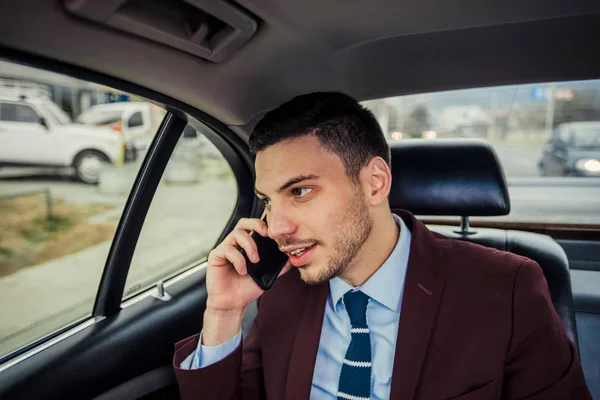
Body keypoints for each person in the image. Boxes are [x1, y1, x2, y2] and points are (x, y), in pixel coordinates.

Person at [173, 92, 590, 399]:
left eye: (300, 191)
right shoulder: (281, 291)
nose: (277, 227)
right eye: (267, 201)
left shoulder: (506, 288)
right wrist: (223, 313)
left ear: (375, 182)